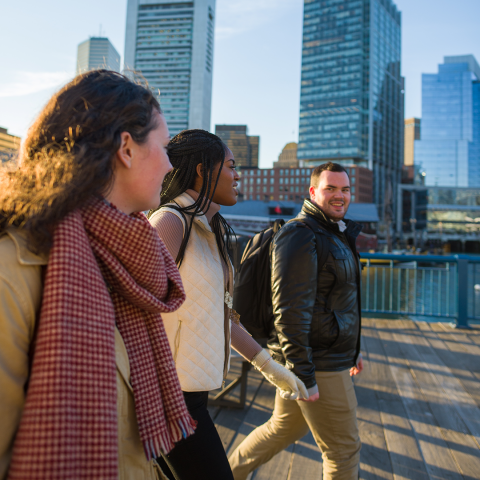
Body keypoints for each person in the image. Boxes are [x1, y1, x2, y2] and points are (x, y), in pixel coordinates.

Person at [0, 70, 195, 480]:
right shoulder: (13, 272)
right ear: (127, 147)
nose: (169, 163)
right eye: (162, 146)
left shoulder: (117, 258)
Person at [148, 129, 308, 480]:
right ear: (203, 170)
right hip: (168, 397)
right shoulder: (170, 222)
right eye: (232, 166)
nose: (239, 176)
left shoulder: (210, 229)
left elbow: (221, 313)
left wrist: (271, 368)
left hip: (194, 393)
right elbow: (132, 309)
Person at [229, 162, 364, 480]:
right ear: (313, 191)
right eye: (330, 188)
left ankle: (226, 473)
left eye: (344, 189)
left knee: (281, 428)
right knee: (344, 451)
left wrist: (354, 349)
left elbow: (339, 302)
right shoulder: (300, 235)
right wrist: (305, 374)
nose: (339, 196)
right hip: (318, 363)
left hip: (326, 356)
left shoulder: (335, 233)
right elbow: (289, 312)